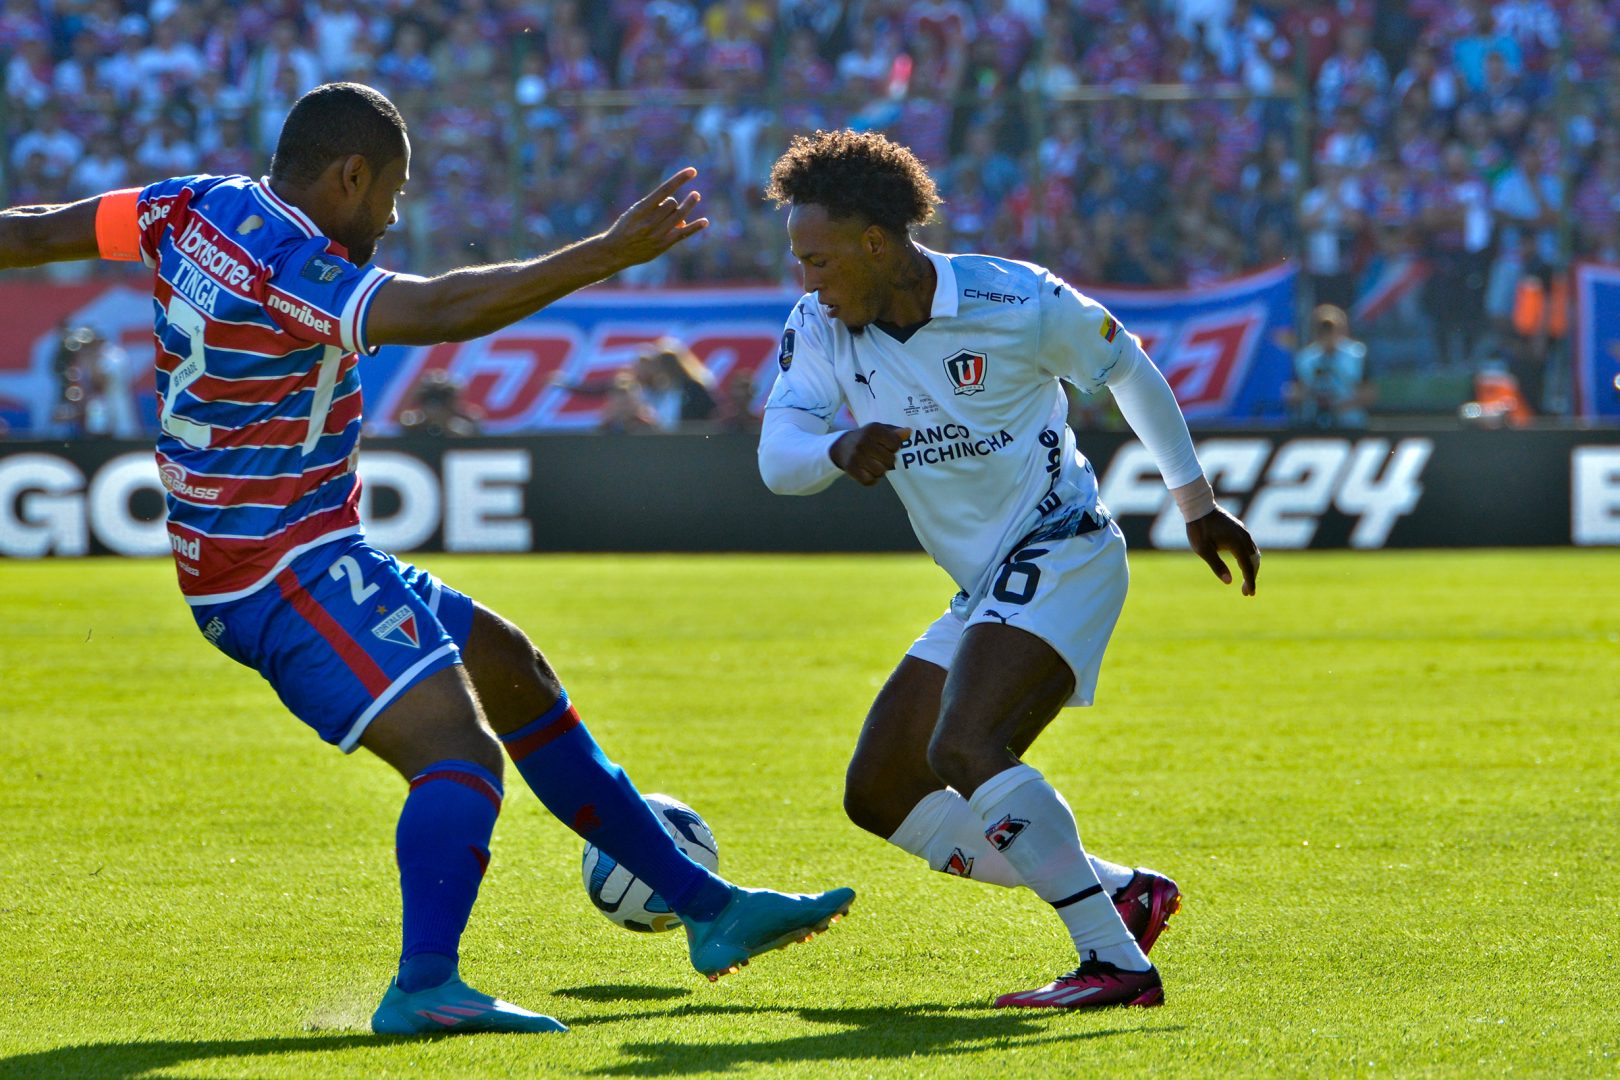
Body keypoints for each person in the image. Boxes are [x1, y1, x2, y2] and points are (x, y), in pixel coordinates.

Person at [0, 82, 853, 1037]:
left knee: (512, 669)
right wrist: (605, 255)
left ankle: (710, 910)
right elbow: (441, 311)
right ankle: (425, 985)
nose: (395, 216)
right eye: (393, 193)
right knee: (458, 754)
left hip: (296, 546)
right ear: (351, 175)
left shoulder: (191, 204)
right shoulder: (294, 264)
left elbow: (31, 233)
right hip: (278, 569)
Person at [757, 130, 1259, 1010]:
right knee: (880, 790)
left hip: (1064, 546)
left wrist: (1194, 502)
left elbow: (1128, 370)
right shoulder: (821, 327)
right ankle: (1123, 894)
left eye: (820, 259)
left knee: (963, 746)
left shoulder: (1013, 298)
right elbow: (778, 454)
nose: (808, 280)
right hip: (984, 586)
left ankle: (1115, 964)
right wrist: (838, 446)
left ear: (876, 243)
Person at [1287, 303, 1375, 428]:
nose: (1327, 334)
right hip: (1311, 426)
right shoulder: (1305, 358)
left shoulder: (1357, 355)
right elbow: (1294, 393)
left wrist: (1337, 407)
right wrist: (1308, 394)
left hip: (1350, 425)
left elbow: (1369, 394)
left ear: (1342, 329)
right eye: (1322, 329)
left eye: (1331, 328)